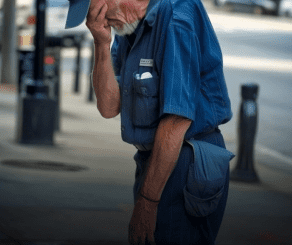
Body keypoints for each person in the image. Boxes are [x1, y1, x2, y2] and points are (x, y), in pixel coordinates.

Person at [65, 0, 234, 244]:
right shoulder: (127, 27)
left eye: (99, 15)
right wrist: (102, 43)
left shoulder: (177, 15)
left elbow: (176, 120)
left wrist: (147, 202)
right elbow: (109, 107)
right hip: (155, 161)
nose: (100, 22)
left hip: (188, 162)